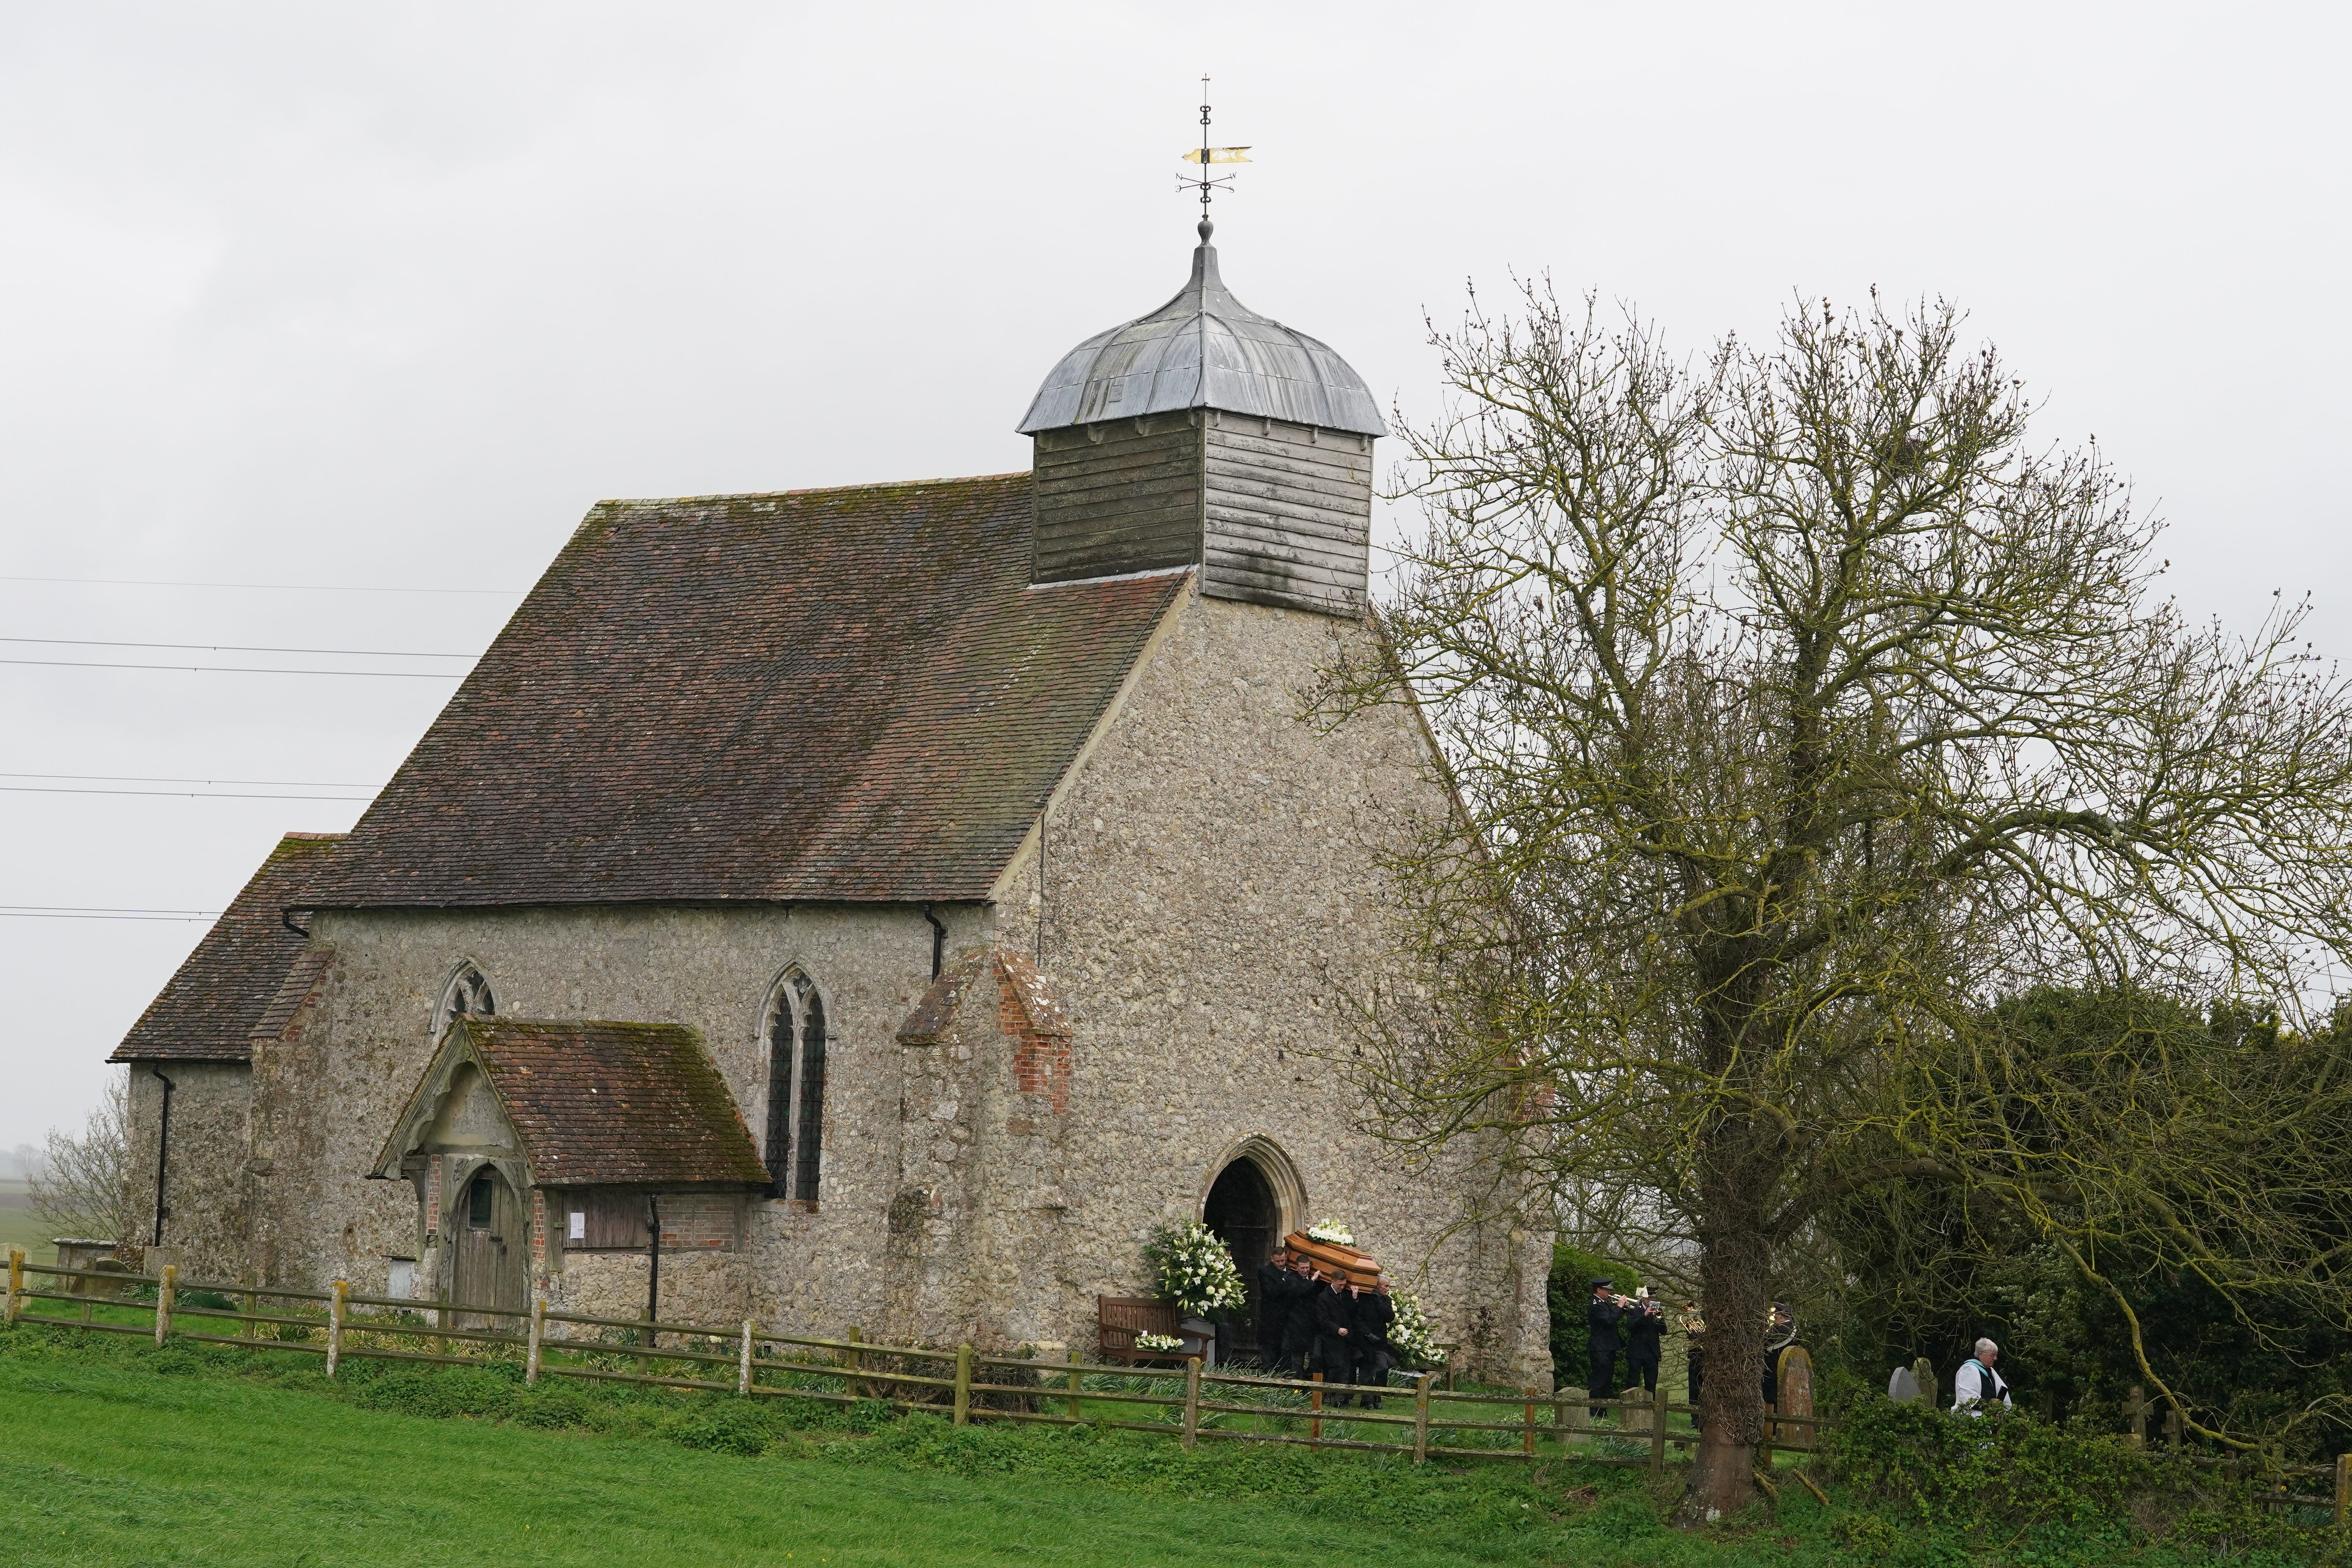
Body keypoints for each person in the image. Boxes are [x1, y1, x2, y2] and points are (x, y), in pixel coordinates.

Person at [1310, 1270, 1358, 1406]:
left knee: (1345, 1369)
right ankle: (1329, 1396)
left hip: (1345, 1340)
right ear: (1332, 1282)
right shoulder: (1324, 1297)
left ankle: (1340, 1399)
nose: (1342, 1287)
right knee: (1333, 1369)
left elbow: (1353, 1314)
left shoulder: (1346, 1296)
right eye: (1340, 1285)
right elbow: (1323, 1320)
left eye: (1344, 1285)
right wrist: (1337, 1329)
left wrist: (1355, 1299)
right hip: (1331, 1339)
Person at [1350, 1279, 1397, 1409]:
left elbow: (1390, 1317)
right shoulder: (1365, 1298)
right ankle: (1367, 1401)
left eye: (1389, 1286)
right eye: (1386, 1286)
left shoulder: (1386, 1301)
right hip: (1366, 1341)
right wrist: (1368, 1334)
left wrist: (1379, 1303)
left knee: (1383, 1368)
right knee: (1367, 1371)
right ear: (1378, 1286)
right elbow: (1358, 1319)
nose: (1388, 1289)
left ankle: (1377, 1396)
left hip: (1380, 1342)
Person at [1255, 1249, 1305, 1373]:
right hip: (1270, 1319)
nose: (1281, 1264)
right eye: (1278, 1261)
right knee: (1269, 1351)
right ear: (1272, 1259)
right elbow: (1272, 1292)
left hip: (1287, 1319)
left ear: (1286, 1257)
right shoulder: (1265, 1272)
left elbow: (1295, 1291)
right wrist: (1284, 1281)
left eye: (1283, 1260)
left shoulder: (1291, 1273)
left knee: (1285, 1352)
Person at [1586, 1279, 1624, 1413]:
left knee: (1607, 1379)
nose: (1609, 1292)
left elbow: (1613, 1316)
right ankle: (1594, 1410)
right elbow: (1609, 1320)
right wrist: (1619, 1307)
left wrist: (1623, 1309)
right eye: (1607, 1290)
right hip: (1600, 1347)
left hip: (1608, 1347)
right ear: (1598, 1290)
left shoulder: (1604, 1304)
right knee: (1599, 1379)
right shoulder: (1596, 1305)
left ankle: (1603, 1410)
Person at [1953, 1338, 2013, 1417]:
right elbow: (1967, 1398)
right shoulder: (1968, 1370)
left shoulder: (1990, 1370)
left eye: (1996, 1355)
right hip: (1972, 1419)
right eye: (1992, 1355)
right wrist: (1990, 1403)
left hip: (1990, 1419)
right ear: (1981, 1355)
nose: (1995, 1359)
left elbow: (2002, 1390)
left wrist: (1999, 1410)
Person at [1623, 1287, 1665, 1396]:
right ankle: (1630, 1408)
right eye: (1648, 1298)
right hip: (1636, 1351)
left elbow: (1664, 1331)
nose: (1651, 1300)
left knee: (1651, 1384)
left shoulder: (1658, 1311)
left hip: (1652, 1353)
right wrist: (1645, 1315)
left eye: (1653, 1298)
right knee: (1633, 1382)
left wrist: (1659, 1319)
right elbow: (1630, 1326)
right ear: (1643, 1298)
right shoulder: (1634, 1310)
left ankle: (1651, 1410)